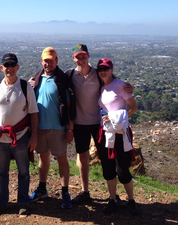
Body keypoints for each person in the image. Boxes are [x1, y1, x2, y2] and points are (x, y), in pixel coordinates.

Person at [66, 44, 134, 204]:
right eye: (78, 57)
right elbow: (54, 80)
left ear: (88, 56)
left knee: (107, 158)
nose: (81, 60)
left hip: (99, 124)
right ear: (73, 58)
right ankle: (85, 191)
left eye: (83, 56)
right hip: (79, 123)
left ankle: (113, 195)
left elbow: (114, 85)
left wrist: (129, 87)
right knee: (82, 157)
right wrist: (33, 82)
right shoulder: (69, 75)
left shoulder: (98, 74)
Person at [0, 53, 39, 216]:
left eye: (12, 65)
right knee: (1, 173)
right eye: (6, 65)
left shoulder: (25, 86)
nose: (10, 68)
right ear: (2, 68)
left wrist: (34, 136)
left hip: (21, 136)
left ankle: (23, 202)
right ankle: (1, 203)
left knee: (24, 172)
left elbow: (34, 113)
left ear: (17, 67)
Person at [27, 47, 74, 209]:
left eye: (51, 60)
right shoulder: (37, 78)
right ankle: (42, 188)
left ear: (57, 61)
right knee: (43, 158)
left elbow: (69, 105)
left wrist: (70, 129)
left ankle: (65, 192)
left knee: (62, 159)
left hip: (58, 127)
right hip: (39, 127)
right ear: (42, 61)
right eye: (45, 60)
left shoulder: (61, 79)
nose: (48, 63)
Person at [96, 57, 140, 215]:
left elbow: (134, 107)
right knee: (108, 168)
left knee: (122, 168)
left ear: (112, 69)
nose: (103, 72)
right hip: (106, 132)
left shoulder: (120, 85)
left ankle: (131, 200)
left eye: (105, 69)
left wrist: (116, 119)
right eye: (100, 69)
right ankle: (112, 199)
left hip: (120, 133)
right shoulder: (101, 86)